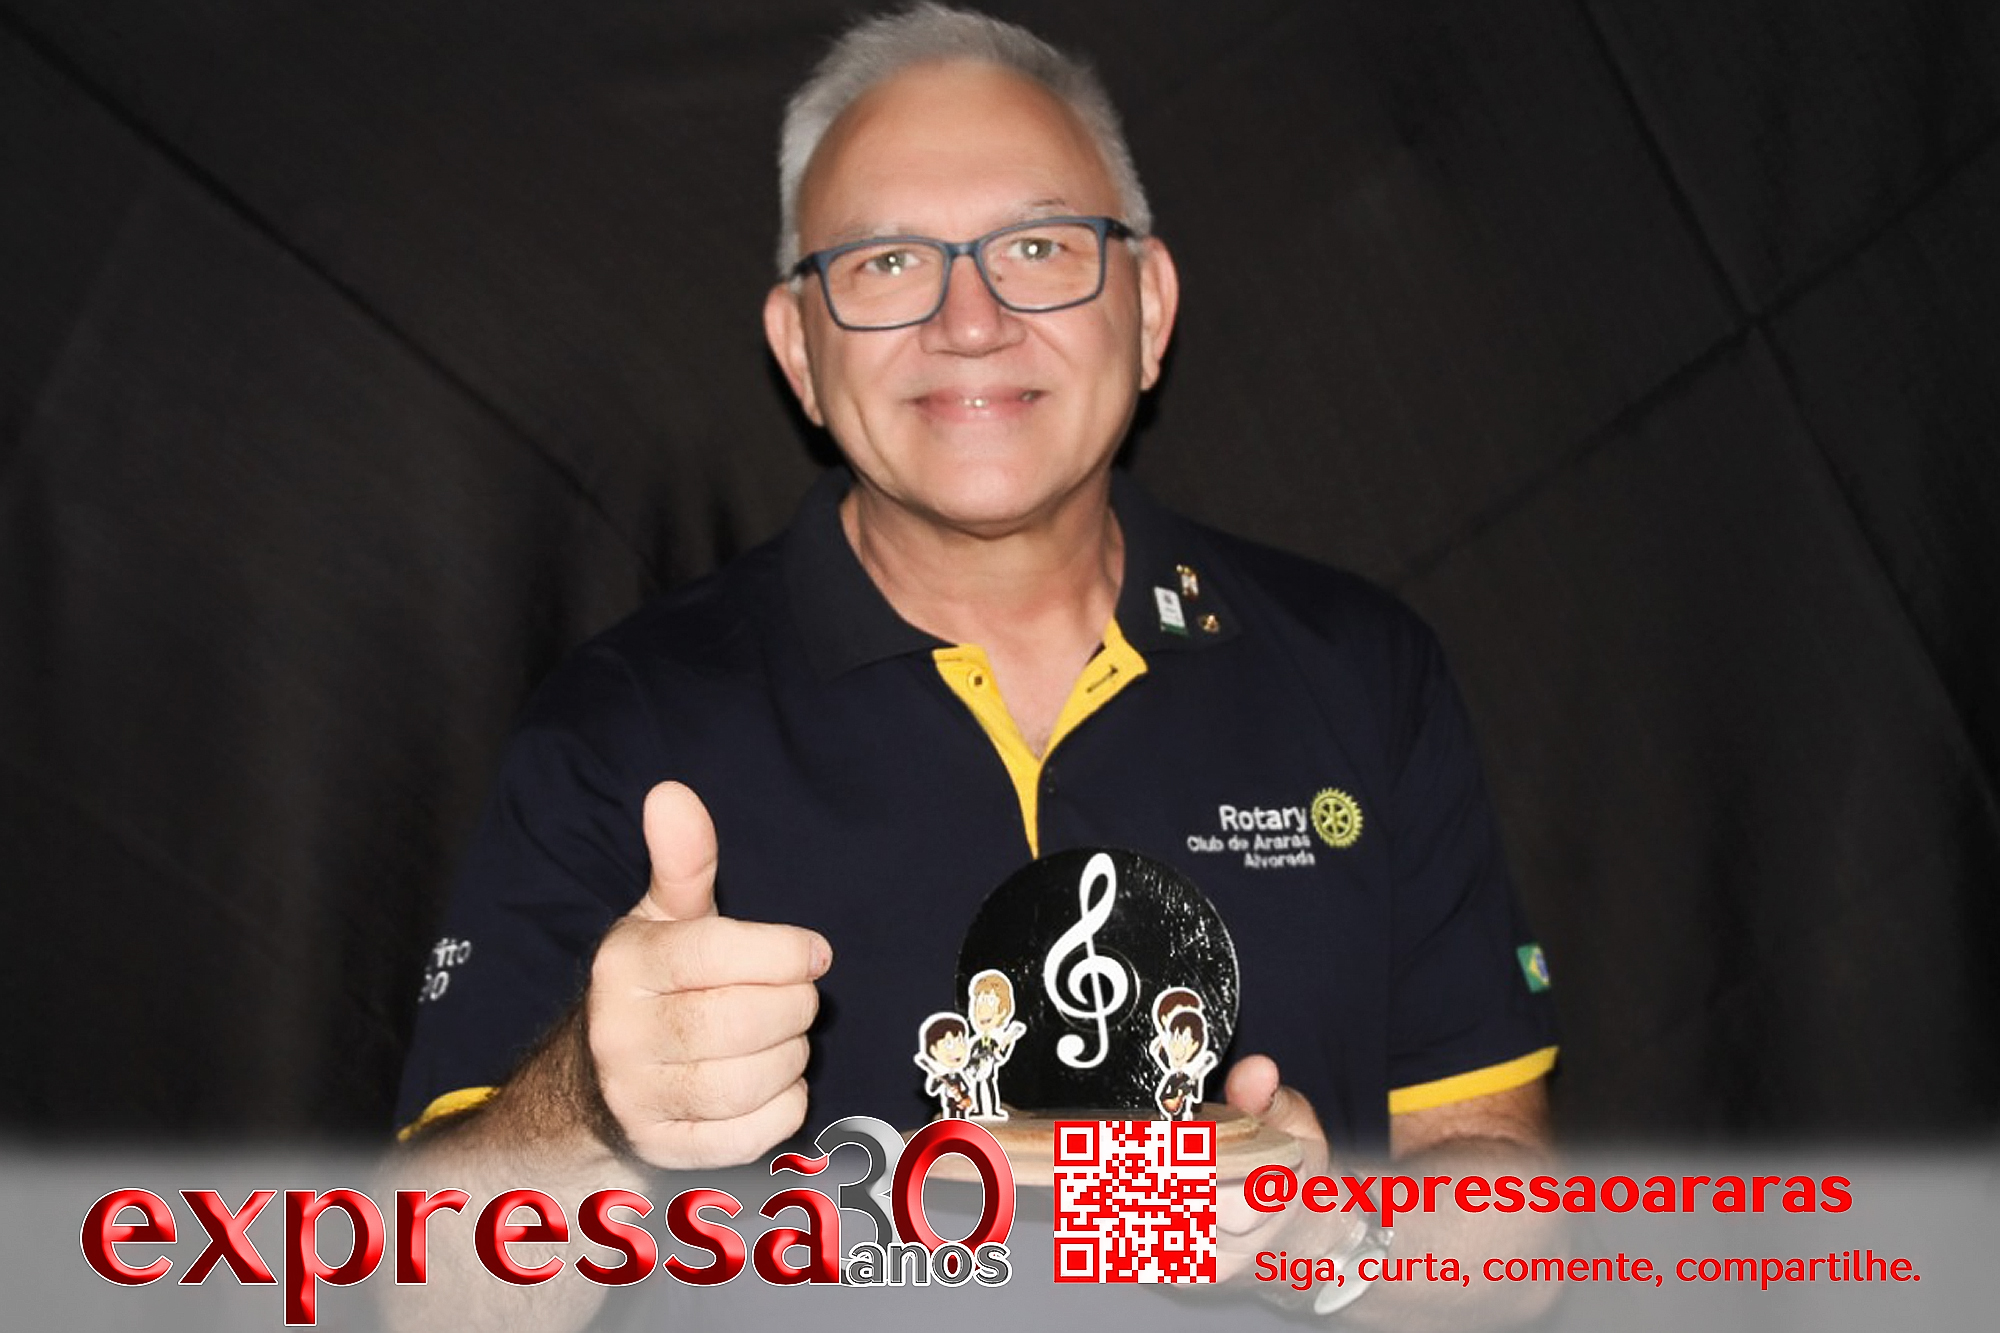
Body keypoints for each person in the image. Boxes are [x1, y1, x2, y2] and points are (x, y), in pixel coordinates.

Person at [391, 5, 1560, 1326]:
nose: (970, 320)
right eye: (888, 261)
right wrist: (597, 1107)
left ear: (1150, 307)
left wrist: (1325, 1242)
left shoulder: (1360, 674)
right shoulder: (622, 723)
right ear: (800, 350)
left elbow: (1509, 1217)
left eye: (1038, 248)